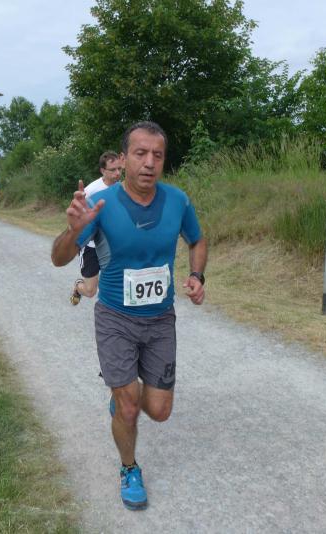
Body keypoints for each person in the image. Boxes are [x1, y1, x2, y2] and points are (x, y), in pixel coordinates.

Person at [50, 121, 208, 511]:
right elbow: (58, 258)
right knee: (129, 407)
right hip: (115, 318)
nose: (149, 162)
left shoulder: (177, 201)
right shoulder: (101, 205)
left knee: (159, 410)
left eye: (158, 155)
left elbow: (197, 240)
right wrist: (72, 231)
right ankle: (129, 467)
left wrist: (196, 275)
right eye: (140, 153)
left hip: (161, 320)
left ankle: (122, 395)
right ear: (123, 159)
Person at [69, 151, 123, 305]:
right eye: (113, 170)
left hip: (112, 245)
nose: (117, 173)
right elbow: (76, 217)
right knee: (90, 291)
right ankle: (78, 287)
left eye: (119, 169)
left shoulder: (122, 188)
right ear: (102, 171)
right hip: (91, 245)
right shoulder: (91, 190)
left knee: (118, 282)